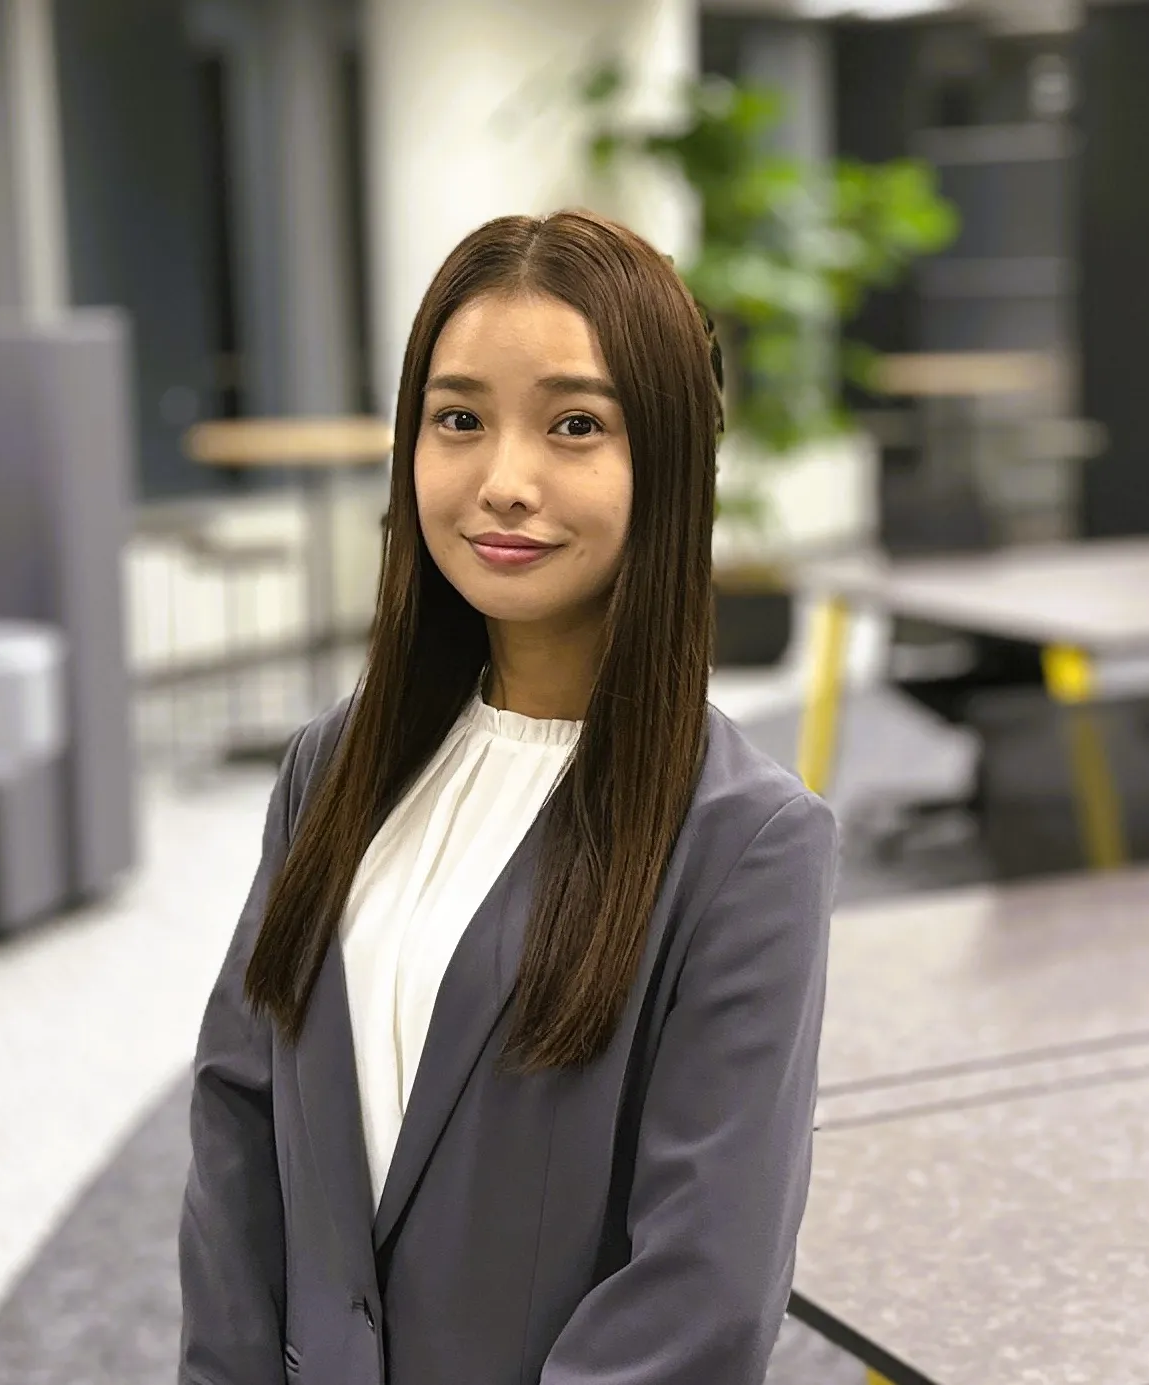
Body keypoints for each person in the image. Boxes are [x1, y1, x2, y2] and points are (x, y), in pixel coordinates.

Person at [177, 208, 839, 1385]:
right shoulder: (328, 771)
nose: (505, 482)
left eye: (576, 424)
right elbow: (240, 1121)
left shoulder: (746, 842)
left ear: (668, 461)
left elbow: (704, 1289)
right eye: (460, 419)